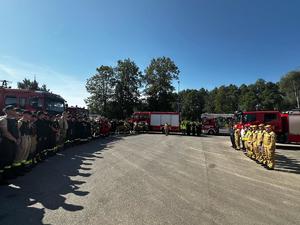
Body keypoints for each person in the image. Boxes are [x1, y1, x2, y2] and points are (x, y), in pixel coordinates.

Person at [0, 106, 20, 181]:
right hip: (6, 142)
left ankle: (7, 175)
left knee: (10, 159)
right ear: (8, 111)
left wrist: (17, 139)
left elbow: (16, 131)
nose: (15, 111)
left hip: (12, 142)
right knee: (4, 159)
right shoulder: (3, 119)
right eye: (13, 110)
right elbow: (5, 133)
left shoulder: (14, 120)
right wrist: (15, 140)